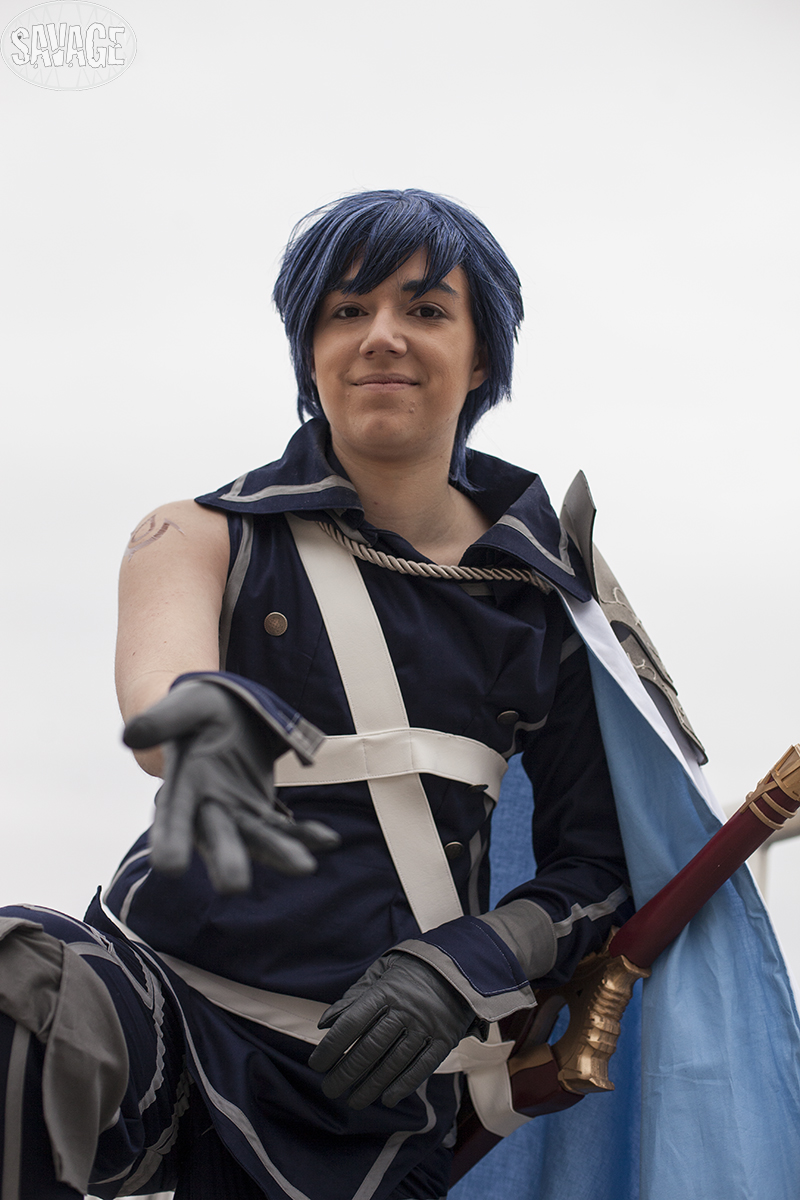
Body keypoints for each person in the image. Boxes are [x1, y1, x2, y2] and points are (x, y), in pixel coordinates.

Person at [0, 189, 797, 1200]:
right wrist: (203, 723)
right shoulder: (196, 534)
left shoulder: (546, 605)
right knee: (18, 979)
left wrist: (461, 966)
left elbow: (600, 865)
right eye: (346, 311)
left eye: (424, 309)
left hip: (367, 1089)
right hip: (153, 1000)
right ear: (311, 355)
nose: (381, 335)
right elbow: (164, 699)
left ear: (479, 358)